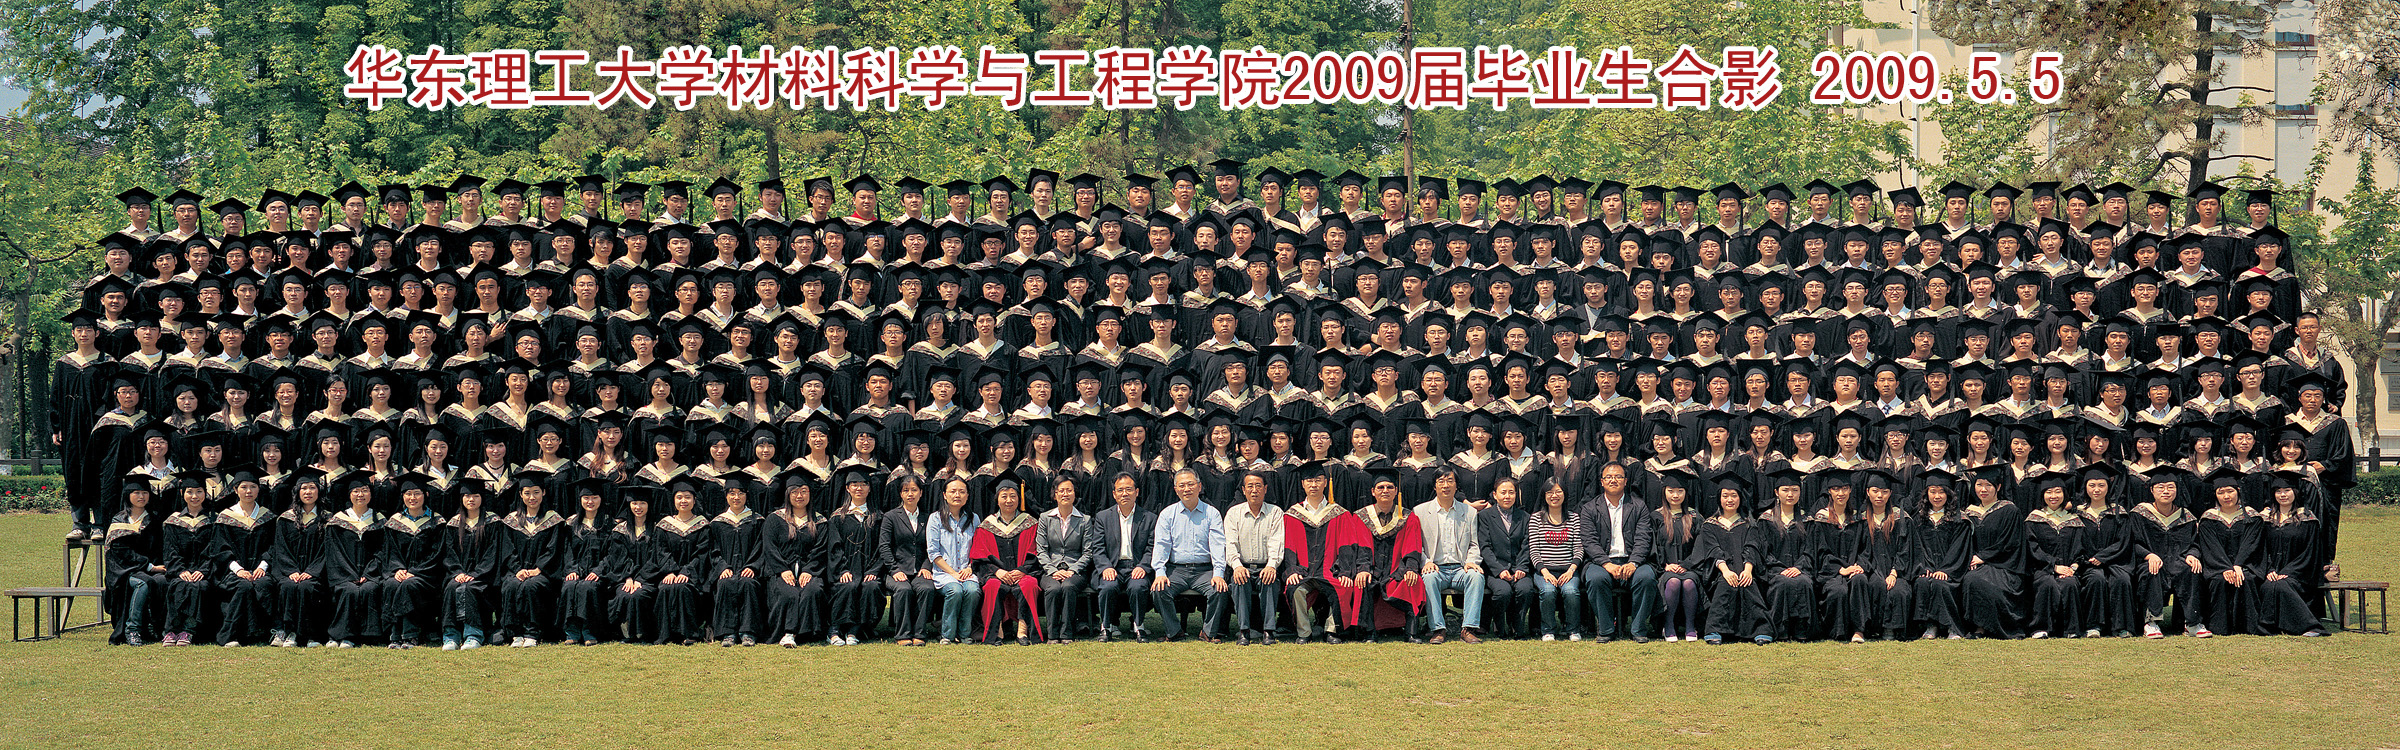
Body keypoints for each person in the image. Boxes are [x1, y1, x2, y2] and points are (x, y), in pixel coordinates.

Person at [1333, 468, 1425, 642]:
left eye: (1390, 487)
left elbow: (1412, 546)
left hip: (1396, 570)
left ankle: (1411, 632)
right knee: (1362, 581)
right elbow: (1360, 547)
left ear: (1396, 491)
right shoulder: (1361, 517)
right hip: (1371, 569)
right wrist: (1363, 569)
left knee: (1414, 580)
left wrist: (1410, 569)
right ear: (1373, 492)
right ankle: (1369, 632)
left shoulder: (1408, 517)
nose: (1385, 491)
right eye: (1380, 487)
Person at [1148, 468, 1229, 642]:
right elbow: (1161, 546)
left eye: (1191, 484)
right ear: (1176, 489)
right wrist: (1160, 573)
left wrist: (1218, 573)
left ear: (1199, 486)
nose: (1187, 489)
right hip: (1176, 570)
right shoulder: (1167, 514)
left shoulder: (1212, 513)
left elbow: (1218, 546)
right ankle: (1174, 631)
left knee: (1219, 589)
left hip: (1204, 570)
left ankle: (1208, 632)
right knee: (1159, 589)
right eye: (1182, 485)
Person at [1281, 462, 1358, 643]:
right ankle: (1304, 632)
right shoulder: (1292, 515)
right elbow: (1289, 546)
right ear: (1303, 484)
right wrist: (1292, 570)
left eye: (1318, 480)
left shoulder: (1339, 514)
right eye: (1309, 481)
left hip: (1330, 571)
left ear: (1325, 483)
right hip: (1304, 572)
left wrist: (1344, 571)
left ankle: (1331, 630)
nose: (1313, 485)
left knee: (1343, 585)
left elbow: (1346, 545)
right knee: (1295, 589)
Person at [1579, 462, 1655, 642]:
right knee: (1595, 579)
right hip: (1601, 562)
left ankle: (1638, 629)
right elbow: (1589, 541)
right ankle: (1606, 629)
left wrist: (1634, 562)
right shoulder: (1590, 508)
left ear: (1626, 481)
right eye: (1609, 477)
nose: (1613, 480)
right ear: (1602, 481)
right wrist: (1606, 563)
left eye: (1618, 477)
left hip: (1632, 560)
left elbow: (1643, 538)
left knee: (1647, 577)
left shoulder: (1638, 506)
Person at [379, 472, 447, 649]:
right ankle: (395, 635)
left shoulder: (436, 522)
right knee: (392, 583)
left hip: (427, 576)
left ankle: (409, 635)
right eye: (408, 494)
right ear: (402, 496)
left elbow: (437, 554)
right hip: (403, 573)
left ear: (426, 495)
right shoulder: (395, 522)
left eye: (417, 493)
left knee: (409, 585)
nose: (412, 498)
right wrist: (397, 570)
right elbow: (390, 552)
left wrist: (415, 572)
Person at [2132, 468, 2203, 638]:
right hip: (2149, 561)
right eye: (2160, 487)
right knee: (2151, 570)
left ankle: (2192, 623)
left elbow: (2195, 543)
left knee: (2191, 569)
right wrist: (2149, 555)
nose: (2166, 491)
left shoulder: (2185, 516)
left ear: (2177, 490)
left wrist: (2192, 555)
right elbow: (2132, 542)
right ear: (2151, 490)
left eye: (2171, 487)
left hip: (2177, 561)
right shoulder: (2140, 514)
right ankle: (2151, 623)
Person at [971, 479, 1043, 644]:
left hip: (1023, 573)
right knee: (992, 586)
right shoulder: (986, 526)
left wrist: (1023, 570)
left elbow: (1036, 552)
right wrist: (997, 571)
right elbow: (979, 556)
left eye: (1013, 496)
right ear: (997, 500)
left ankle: (1022, 631)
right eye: (1004, 496)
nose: (1009, 500)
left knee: (1029, 584)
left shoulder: (1030, 523)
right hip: (996, 574)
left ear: (1019, 498)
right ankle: (998, 632)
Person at [760, 475, 828, 647]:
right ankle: (788, 633)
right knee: (788, 593)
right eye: (795, 492)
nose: (799, 496)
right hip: (781, 570)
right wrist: (782, 569)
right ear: (788, 494)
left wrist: (809, 570)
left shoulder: (819, 521)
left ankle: (806, 633)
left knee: (812, 590)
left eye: (804, 491)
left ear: (810, 494)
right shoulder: (775, 519)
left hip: (810, 570)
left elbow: (820, 549)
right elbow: (769, 547)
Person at [1696, 476, 1765, 645]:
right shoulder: (1709, 525)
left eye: (1734, 495)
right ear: (1719, 498)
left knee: (1748, 583)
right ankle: (1715, 630)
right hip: (1719, 571)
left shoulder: (1748, 524)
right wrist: (1726, 571)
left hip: (1746, 568)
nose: (1730, 499)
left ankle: (1761, 630)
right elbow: (1713, 550)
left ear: (1740, 498)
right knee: (1725, 584)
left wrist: (1748, 570)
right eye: (1725, 495)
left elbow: (1752, 546)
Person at [1220, 470, 1285, 645]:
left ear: (1265, 489)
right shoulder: (1234, 513)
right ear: (1243, 490)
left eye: (1258, 486)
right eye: (1250, 486)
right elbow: (1230, 544)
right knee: (1239, 581)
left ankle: (1268, 631)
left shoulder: (1275, 512)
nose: (1254, 490)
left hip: (1266, 565)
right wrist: (1237, 566)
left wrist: (1271, 565)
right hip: (1243, 566)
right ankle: (1244, 631)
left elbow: (1277, 542)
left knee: (1270, 580)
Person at [1092, 472, 1157, 642]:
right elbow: (1097, 547)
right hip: (1113, 566)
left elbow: (1152, 547)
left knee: (1138, 586)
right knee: (1108, 587)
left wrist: (1143, 566)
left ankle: (1139, 626)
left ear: (1137, 492)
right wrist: (1105, 567)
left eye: (1129, 489)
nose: (1124, 494)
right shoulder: (1103, 517)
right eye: (1120, 490)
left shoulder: (1149, 518)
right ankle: (1106, 627)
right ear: (1114, 494)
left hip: (1136, 566)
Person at [1034, 479, 1099, 643]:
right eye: (1061, 490)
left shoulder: (1084, 520)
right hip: (1051, 569)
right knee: (1054, 589)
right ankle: (1052, 634)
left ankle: (1067, 633)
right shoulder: (1045, 518)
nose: (1065, 494)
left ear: (1075, 494)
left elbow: (1088, 552)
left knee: (1069, 587)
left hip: (1076, 571)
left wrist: (1072, 570)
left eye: (1069, 490)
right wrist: (1053, 571)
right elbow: (1041, 550)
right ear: (1055, 494)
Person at [1525, 477, 1587, 641]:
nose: (1554, 496)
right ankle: (1548, 630)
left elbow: (1579, 548)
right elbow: (1534, 550)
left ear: (1565, 494)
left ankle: (1573, 629)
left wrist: (1571, 570)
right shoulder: (1536, 518)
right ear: (1544, 495)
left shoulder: (1574, 518)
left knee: (1571, 591)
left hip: (1569, 570)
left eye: (1558, 492)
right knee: (1548, 591)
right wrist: (1545, 572)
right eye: (1550, 492)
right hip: (1544, 571)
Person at [441, 481, 500, 650]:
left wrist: (476, 573)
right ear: (461, 498)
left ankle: (474, 635)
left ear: (482, 498)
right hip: (459, 574)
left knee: (470, 588)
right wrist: (457, 572)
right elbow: (449, 552)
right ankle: (450, 636)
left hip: (483, 576)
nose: (471, 499)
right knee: (452, 587)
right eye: (467, 496)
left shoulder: (492, 521)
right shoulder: (454, 524)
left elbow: (492, 552)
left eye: (475, 496)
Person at [103, 483, 164, 645]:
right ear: (128, 495)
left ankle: (155, 627)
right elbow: (121, 552)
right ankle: (132, 629)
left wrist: (157, 566)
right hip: (122, 571)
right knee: (143, 583)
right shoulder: (119, 521)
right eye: (136, 492)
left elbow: (159, 548)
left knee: (162, 581)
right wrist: (150, 566)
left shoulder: (154, 520)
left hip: (147, 569)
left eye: (145, 492)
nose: (141, 496)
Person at [878, 476, 936, 646]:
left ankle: (919, 633)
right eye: (906, 490)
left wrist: (927, 566)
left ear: (921, 493)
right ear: (901, 494)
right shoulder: (890, 517)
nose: (910, 494)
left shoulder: (928, 518)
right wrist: (894, 570)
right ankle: (902, 634)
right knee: (903, 590)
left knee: (927, 588)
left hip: (919, 570)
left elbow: (932, 546)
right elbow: (884, 546)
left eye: (914, 490)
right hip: (895, 570)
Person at [710, 476, 768, 646]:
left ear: (746, 495)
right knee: (725, 583)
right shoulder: (717, 523)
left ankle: (748, 633)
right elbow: (713, 550)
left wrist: (753, 567)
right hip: (727, 570)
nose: (736, 497)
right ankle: (728, 633)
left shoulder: (757, 521)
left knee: (748, 583)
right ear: (726, 496)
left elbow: (762, 548)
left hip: (749, 570)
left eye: (741, 493)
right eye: (732, 493)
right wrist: (722, 567)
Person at [1478, 476, 1534, 639]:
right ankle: (1499, 626)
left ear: (1516, 494)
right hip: (1495, 569)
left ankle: (1517, 626)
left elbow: (1526, 545)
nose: (1507, 496)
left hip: (1518, 568)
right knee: (1502, 592)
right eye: (1503, 492)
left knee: (1525, 589)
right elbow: (1485, 547)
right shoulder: (1485, 516)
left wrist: (1522, 568)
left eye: (1511, 492)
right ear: (1495, 495)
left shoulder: (1524, 517)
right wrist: (1499, 570)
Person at [927, 477, 981, 644]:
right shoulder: (935, 518)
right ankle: (947, 635)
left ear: (967, 495)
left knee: (972, 590)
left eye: (962, 491)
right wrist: (953, 573)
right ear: (945, 495)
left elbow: (979, 548)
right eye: (953, 491)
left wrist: (970, 568)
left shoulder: (974, 519)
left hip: (967, 571)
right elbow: (933, 553)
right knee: (955, 591)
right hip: (944, 573)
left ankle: (965, 634)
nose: (957, 495)